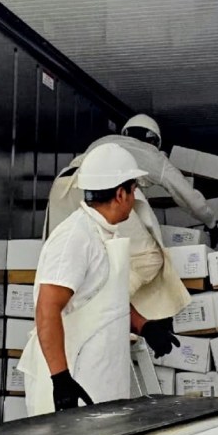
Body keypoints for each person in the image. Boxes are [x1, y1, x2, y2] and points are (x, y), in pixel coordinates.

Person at [18, 143, 181, 415]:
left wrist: (144, 326)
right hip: (73, 382)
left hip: (99, 380)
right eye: (133, 190)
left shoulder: (104, 234)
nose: (134, 196)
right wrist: (60, 379)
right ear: (120, 194)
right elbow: (47, 309)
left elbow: (104, 298)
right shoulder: (75, 237)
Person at [44, 114, 218, 320]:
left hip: (62, 189)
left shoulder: (103, 143)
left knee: (70, 259)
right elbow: (188, 197)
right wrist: (211, 223)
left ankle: (75, 312)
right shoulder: (153, 155)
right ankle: (108, 308)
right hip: (103, 192)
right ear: (154, 141)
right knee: (149, 258)